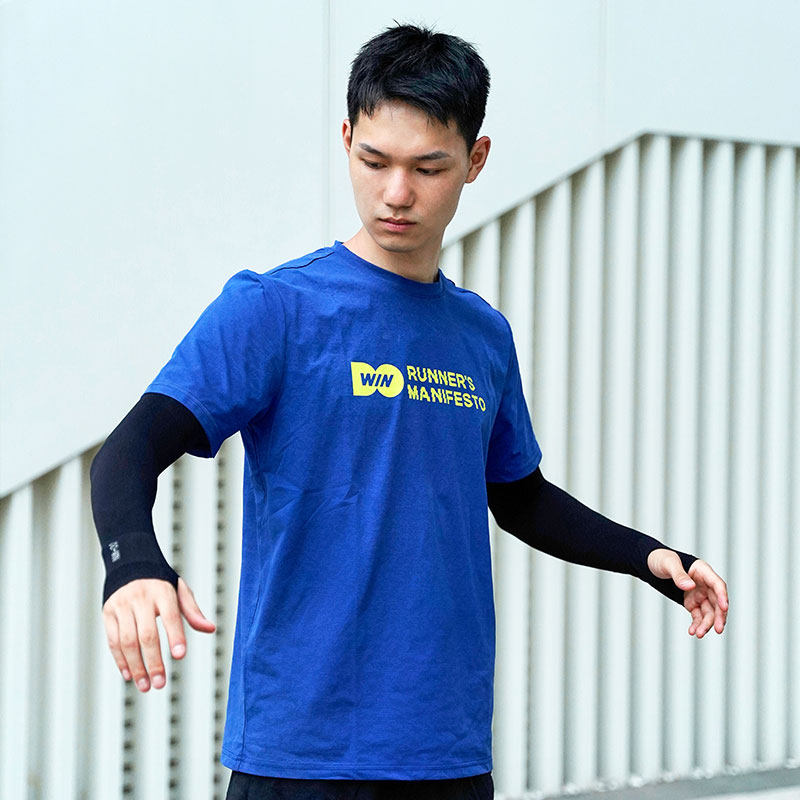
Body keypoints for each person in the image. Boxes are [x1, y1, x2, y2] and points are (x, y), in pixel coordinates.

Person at [90, 23, 728, 800]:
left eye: (429, 168)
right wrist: (133, 563)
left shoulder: (482, 335)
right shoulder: (274, 309)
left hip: (445, 749)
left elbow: (519, 496)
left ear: (475, 161)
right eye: (375, 162)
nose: (397, 193)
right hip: (300, 751)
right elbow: (128, 451)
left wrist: (647, 556)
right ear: (346, 140)